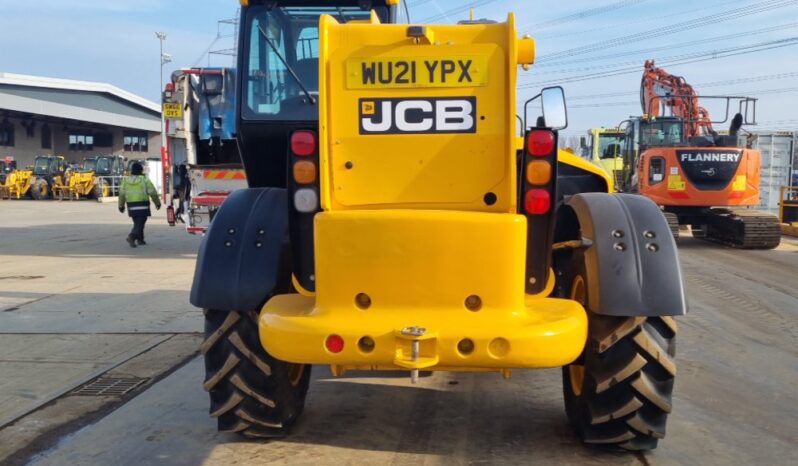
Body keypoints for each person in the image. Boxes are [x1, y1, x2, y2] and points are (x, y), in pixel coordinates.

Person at [118, 162, 161, 248]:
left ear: (132, 171)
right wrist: (157, 203)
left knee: (137, 222)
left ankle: (140, 240)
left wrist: (121, 205)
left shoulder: (125, 180)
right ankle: (132, 236)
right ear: (141, 170)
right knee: (140, 223)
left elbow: (121, 194)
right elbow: (152, 192)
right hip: (143, 205)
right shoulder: (144, 179)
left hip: (131, 206)